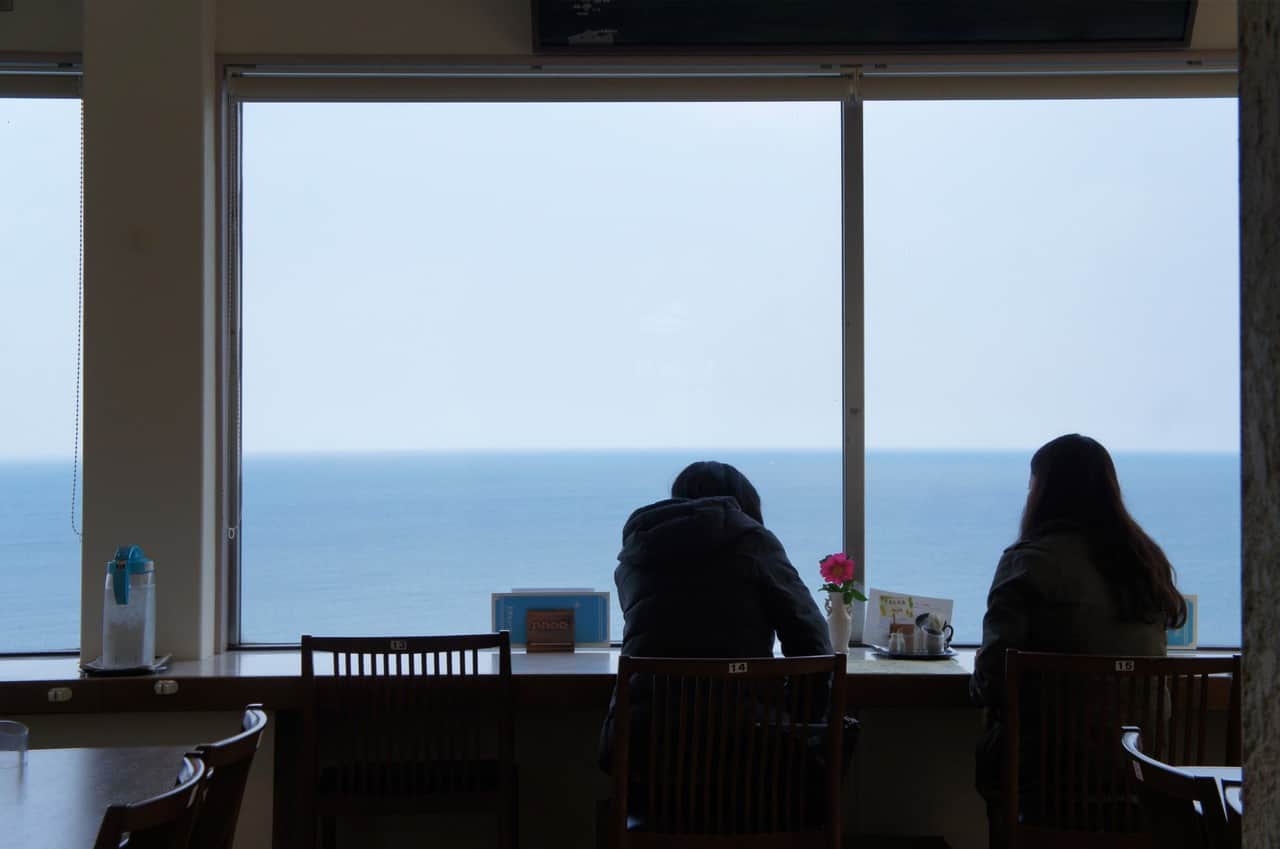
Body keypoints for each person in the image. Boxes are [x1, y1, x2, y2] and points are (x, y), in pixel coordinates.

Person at [970, 434, 1187, 849]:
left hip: (1044, 787)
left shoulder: (1026, 562)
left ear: (1043, 493)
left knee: (999, 753)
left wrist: (980, 670)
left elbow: (993, 684)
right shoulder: (1146, 564)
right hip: (1137, 780)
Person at [599, 460, 831, 772]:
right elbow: (812, 642)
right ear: (743, 503)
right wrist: (801, 717)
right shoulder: (754, 543)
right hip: (747, 753)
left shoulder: (634, 558)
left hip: (643, 753)